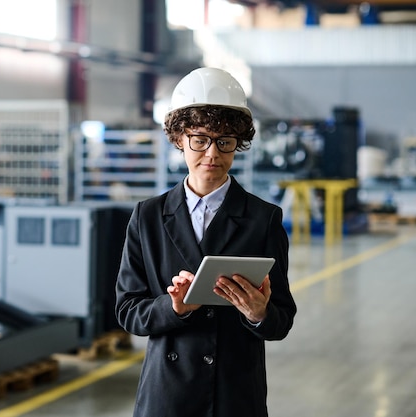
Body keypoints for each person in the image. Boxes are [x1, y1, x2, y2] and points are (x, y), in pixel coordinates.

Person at [115, 67, 297, 417]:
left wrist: (260, 314)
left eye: (225, 141)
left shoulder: (264, 219)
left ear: (238, 143)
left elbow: (282, 319)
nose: (212, 154)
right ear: (180, 139)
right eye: (200, 139)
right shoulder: (148, 217)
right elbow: (127, 312)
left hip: (233, 392)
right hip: (168, 393)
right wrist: (174, 308)